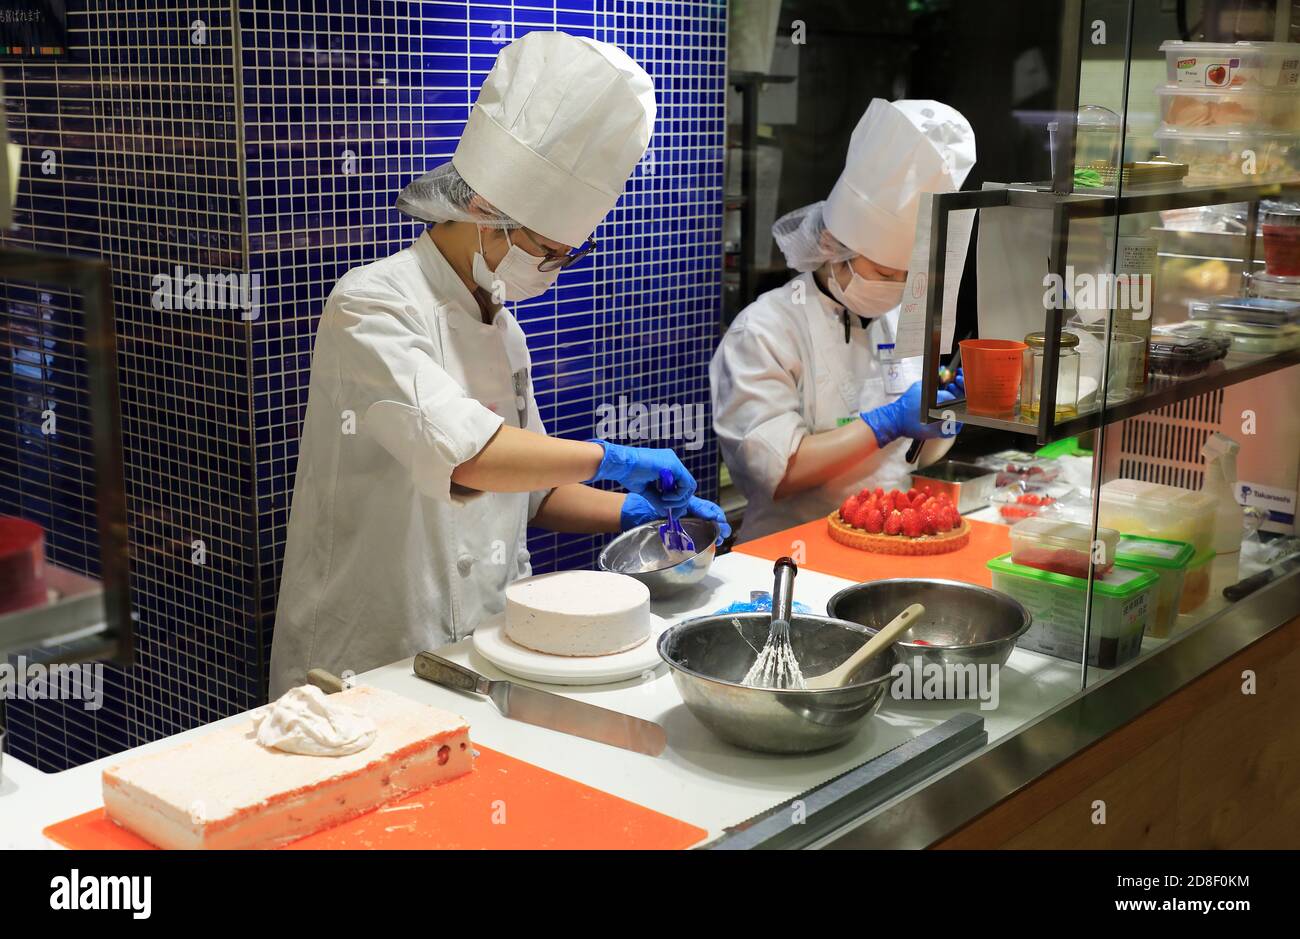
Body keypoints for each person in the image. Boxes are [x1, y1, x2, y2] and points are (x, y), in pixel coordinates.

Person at [271, 32, 728, 696]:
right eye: (547, 249)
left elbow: (532, 490)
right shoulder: (370, 305)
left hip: (484, 648)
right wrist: (608, 456)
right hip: (366, 657)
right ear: (486, 212)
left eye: (566, 255)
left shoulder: (503, 328)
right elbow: (470, 455)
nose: (552, 269)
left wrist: (635, 513)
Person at [710, 98, 976, 542]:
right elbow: (775, 473)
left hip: (893, 541)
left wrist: (943, 417)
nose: (896, 287)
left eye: (908, 277)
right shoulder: (765, 329)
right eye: (884, 273)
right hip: (790, 553)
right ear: (836, 249)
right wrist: (885, 422)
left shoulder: (897, 319)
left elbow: (913, 458)